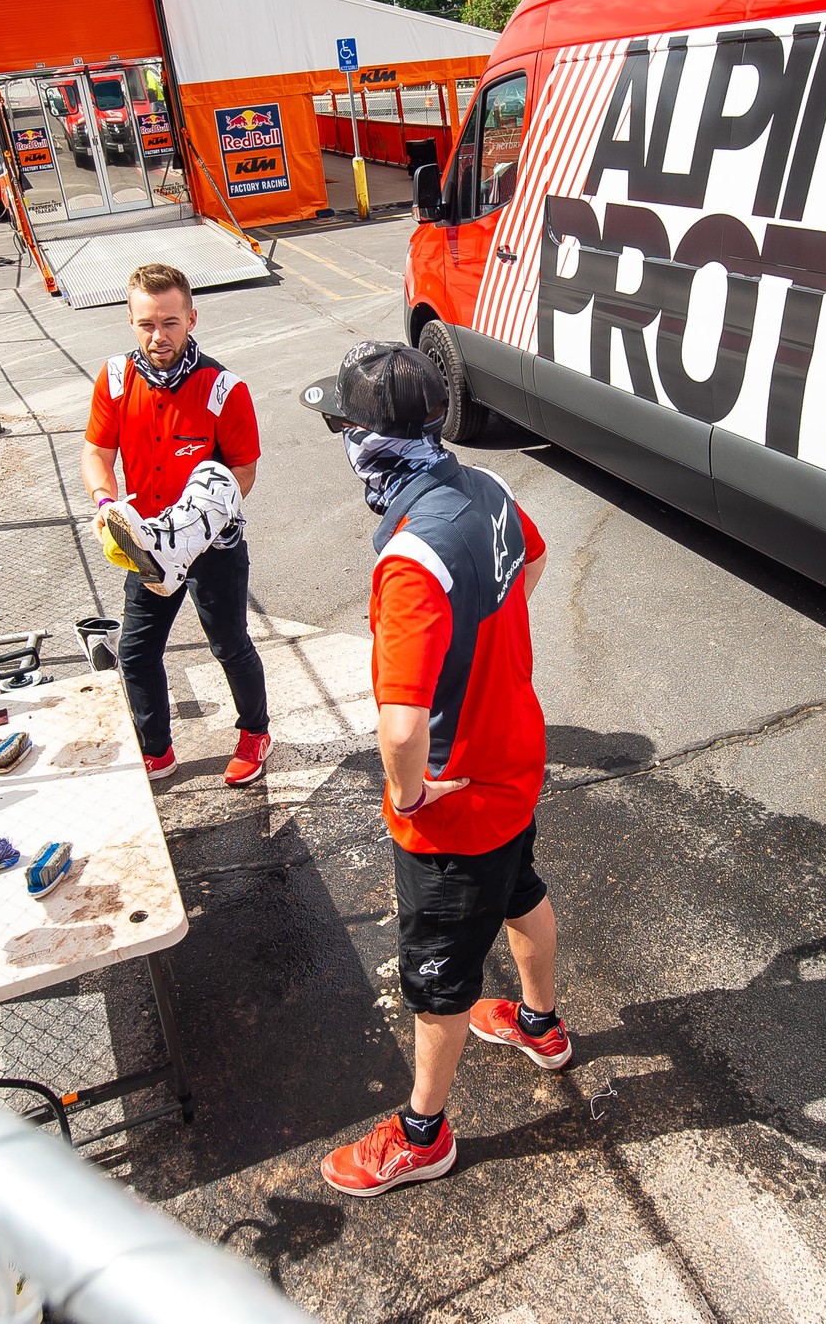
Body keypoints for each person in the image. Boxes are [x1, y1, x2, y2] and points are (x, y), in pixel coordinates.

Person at [303, 342, 565, 1196]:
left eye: (342, 424)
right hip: (516, 758)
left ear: (367, 438)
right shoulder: (482, 486)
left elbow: (402, 722)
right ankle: (539, 1024)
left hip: (457, 803)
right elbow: (532, 556)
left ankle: (424, 1133)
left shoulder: (412, 558)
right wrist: (492, 665)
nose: (341, 438)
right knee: (519, 886)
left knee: (439, 977)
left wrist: (411, 792)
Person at [83, 263, 271, 787]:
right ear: (131, 321)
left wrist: (197, 522)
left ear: (191, 318)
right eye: (146, 324)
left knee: (229, 643)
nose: (158, 335)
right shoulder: (116, 379)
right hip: (147, 543)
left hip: (213, 544)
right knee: (137, 650)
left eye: (169, 322)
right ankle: (157, 749)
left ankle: (255, 732)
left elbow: (244, 470)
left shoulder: (222, 388)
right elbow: (96, 451)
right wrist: (105, 503)